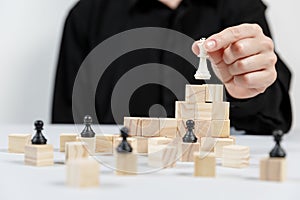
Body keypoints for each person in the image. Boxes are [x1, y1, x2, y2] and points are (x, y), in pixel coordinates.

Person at [52, 0, 292, 135]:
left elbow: (274, 117)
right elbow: (67, 123)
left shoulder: (241, 8)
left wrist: (250, 89)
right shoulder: (88, 14)